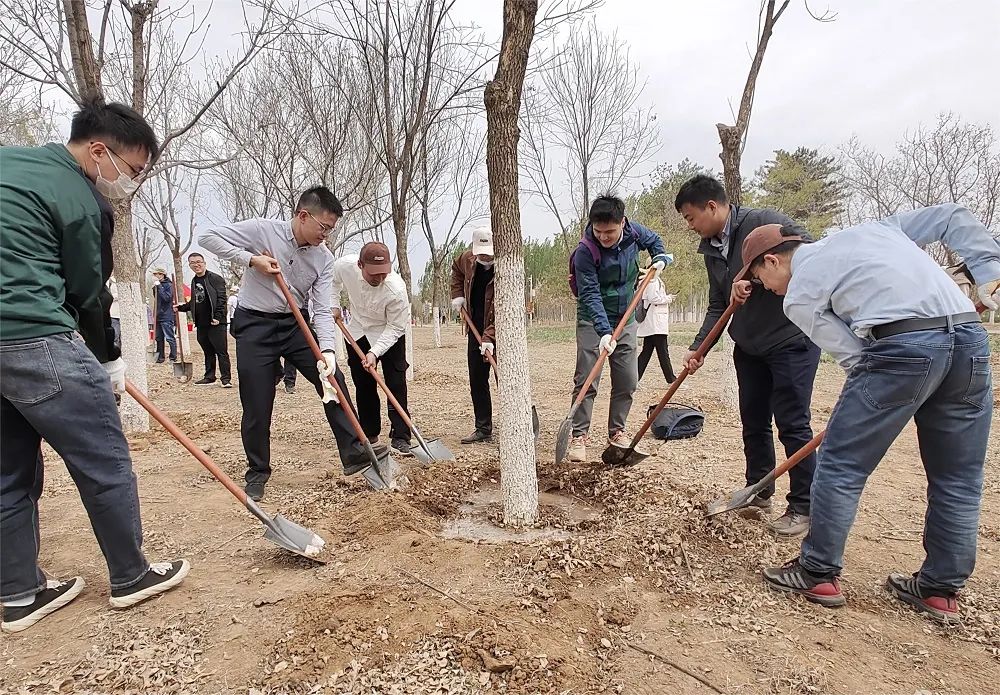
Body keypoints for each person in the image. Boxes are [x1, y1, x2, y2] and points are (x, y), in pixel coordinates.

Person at [737, 205, 999, 622]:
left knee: (840, 465)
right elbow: (951, 216)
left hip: (901, 348)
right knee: (959, 476)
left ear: (772, 259)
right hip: (969, 340)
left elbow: (856, 357)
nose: (765, 288)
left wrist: (882, 388)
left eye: (759, 278)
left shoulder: (801, 291)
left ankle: (817, 571)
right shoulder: (876, 229)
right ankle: (938, 589)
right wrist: (989, 268)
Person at [0, 100, 189, 634]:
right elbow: (86, 292)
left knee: (7, 469)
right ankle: (131, 575)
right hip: (32, 331)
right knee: (103, 457)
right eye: (132, 172)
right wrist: (105, 361)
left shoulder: (8, 161)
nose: (129, 183)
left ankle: (18, 593)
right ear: (99, 150)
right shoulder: (82, 201)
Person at [199, 186, 375, 501]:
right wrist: (252, 259)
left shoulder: (323, 259)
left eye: (331, 230)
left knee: (333, 382)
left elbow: (320, 309)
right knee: (256, 401)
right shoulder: (262, 231)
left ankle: (353, 452)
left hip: (296, 325)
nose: (326, 235)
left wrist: (329, 351)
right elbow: (207, 238)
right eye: (323, 227)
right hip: (255, 325)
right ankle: (257, 472)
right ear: (302, 215)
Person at [674, 174, 820, 536]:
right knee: (753, 422)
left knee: (793, 424)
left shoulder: (764, 223)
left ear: (712, 206)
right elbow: (718, 304)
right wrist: (698, 347)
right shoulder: (711, 249)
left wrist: (753, 280)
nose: (691, 227)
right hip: (749, 347)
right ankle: (759, 492)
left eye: (691, 218)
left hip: (790, 340)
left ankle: (804, 505)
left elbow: (808, 255)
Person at [567, 195, 671, 462]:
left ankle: (617, 431)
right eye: (598, 231)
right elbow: (589, 294)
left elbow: (655, 242)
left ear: (622, 222)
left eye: (610, 231)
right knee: (587, 378)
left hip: (626, 315)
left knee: (627, 379)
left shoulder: (635, 232)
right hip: (592, 318)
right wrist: (603, 331)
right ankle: (578, 435)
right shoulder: (585, 251)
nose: (604, 237)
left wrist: (660, 259)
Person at [331, 242, 413, 456]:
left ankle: (400, 436)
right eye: (373, 274)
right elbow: (331, 282)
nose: (379, 278)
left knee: (396, 383)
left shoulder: (396, 288)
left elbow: (396, 326)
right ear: (360, 265)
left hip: (389, 333)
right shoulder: (344, 266)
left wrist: (375, 352)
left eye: (383, 273)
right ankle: (370, 432)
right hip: (357, 331)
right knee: (363, 384)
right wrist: (334, 304)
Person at [450, 227, 496, 443]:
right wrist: (458, 296)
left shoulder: (506, 268)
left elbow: (505, 310)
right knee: (477, 379)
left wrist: (490, 337)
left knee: (504, 379)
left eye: (488, 252)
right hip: (474, 327)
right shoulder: (467, 259)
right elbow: (456, 270)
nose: (484, 256)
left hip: (500, 330)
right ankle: (483, 428)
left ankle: (517, 423)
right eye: (480, 252)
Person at [175, 252, 232, 387]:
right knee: (208, 351)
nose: (196, 265)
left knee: (221, 351)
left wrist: (218, 317)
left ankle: (226, 379)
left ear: (204, 263)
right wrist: (181, 307)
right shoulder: (195, 281)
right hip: (201, 323)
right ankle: (209, 376)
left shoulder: (215, 278)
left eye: (199, 261)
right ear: (189, 265)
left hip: (216, 322)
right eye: (193, 263)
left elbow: (222, 299)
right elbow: (195, 302)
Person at [636, 276, 676, 384]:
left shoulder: (650, 280)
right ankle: (671, 380)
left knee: (646, 352)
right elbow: (653, 298)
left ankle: (633, 378)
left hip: (653, 323)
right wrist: (669, 298)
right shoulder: (653, 281)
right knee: (663, 352)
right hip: (656, 323)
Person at [151, 267, 177, 363]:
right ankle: (160, 357)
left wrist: (159, 287)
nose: (155, 276)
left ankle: (173, 357)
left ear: (162, 275)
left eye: (156, 274)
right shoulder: (157, 286)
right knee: (158, 338)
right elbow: (157, 299)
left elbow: (167, 298)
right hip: (158, 315)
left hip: (166, 315)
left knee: (169, 337)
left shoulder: (168, 285)